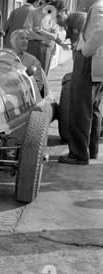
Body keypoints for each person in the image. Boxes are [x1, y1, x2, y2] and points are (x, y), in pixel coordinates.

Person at [59, 0, 103, 165]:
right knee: (95, 108)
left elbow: (101, 31)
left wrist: (85, 51)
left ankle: (78, 154)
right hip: (98, 64)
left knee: (80, 108)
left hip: (89, 61)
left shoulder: (99, 6)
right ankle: (91, 150)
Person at [23, 0, 66, 75]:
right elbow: (28, 33)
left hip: (46, 48)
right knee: (29, 73)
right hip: (32, 46)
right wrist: (44, 38)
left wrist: (40, 30)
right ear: (46, 3)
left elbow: (54, 36)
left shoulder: (53, 17)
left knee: (43, 75)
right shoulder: (33, 12)